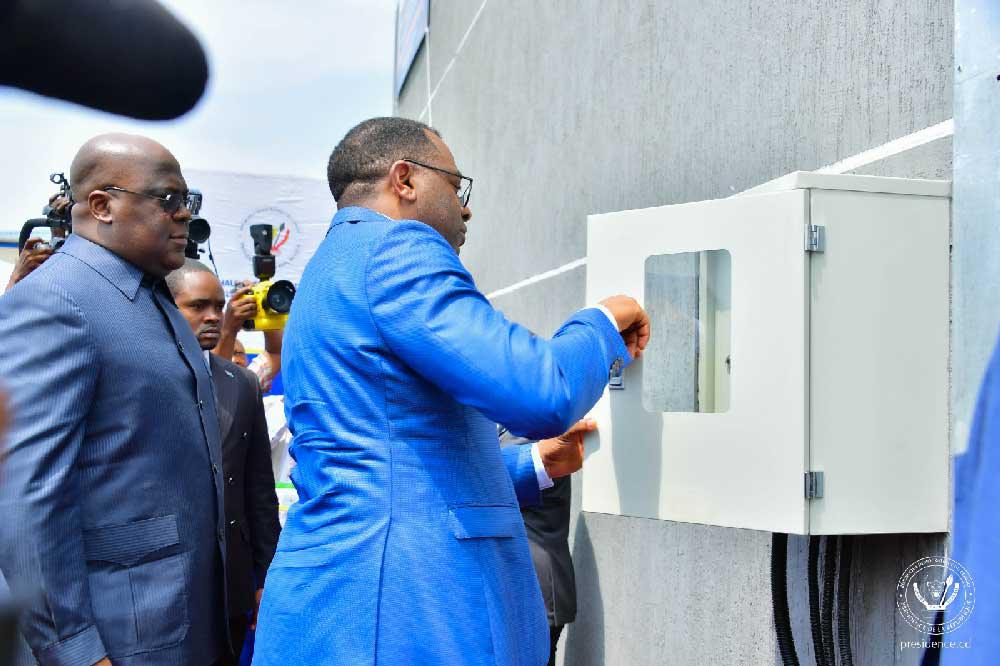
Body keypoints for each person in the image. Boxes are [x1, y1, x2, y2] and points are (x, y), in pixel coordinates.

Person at [252, 117, 650, 665]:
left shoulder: (328, 271)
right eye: (456, 186)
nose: (465, 208)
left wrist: (535, 465)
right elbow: (540, 392)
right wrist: (603, 322)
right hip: (401, 618)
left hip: (340, 609)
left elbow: (388, 462)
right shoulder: (395, 250)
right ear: (405, 180)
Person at [0, 133, 228, 665]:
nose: (184, 217)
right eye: (169, 200)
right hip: (119, 640)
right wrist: (76, 651)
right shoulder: (54, 303)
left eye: (189, 202)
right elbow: (27, 496)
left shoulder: (153, 299)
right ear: (101, 206)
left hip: (186, 623)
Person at [166, 260, 281, 665]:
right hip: (161, 589)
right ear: (165, 306)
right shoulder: (137, 379)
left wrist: (267, 578)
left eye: (218, 306)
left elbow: (259, 492)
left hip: (231, 588)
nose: (213, 317)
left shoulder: (242, 384)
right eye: (198, 306)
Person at [499, 422, 593, 666]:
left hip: (536, 587)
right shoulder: (510, 429)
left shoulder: (531, 431)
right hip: (530, 588)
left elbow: (491, 474)